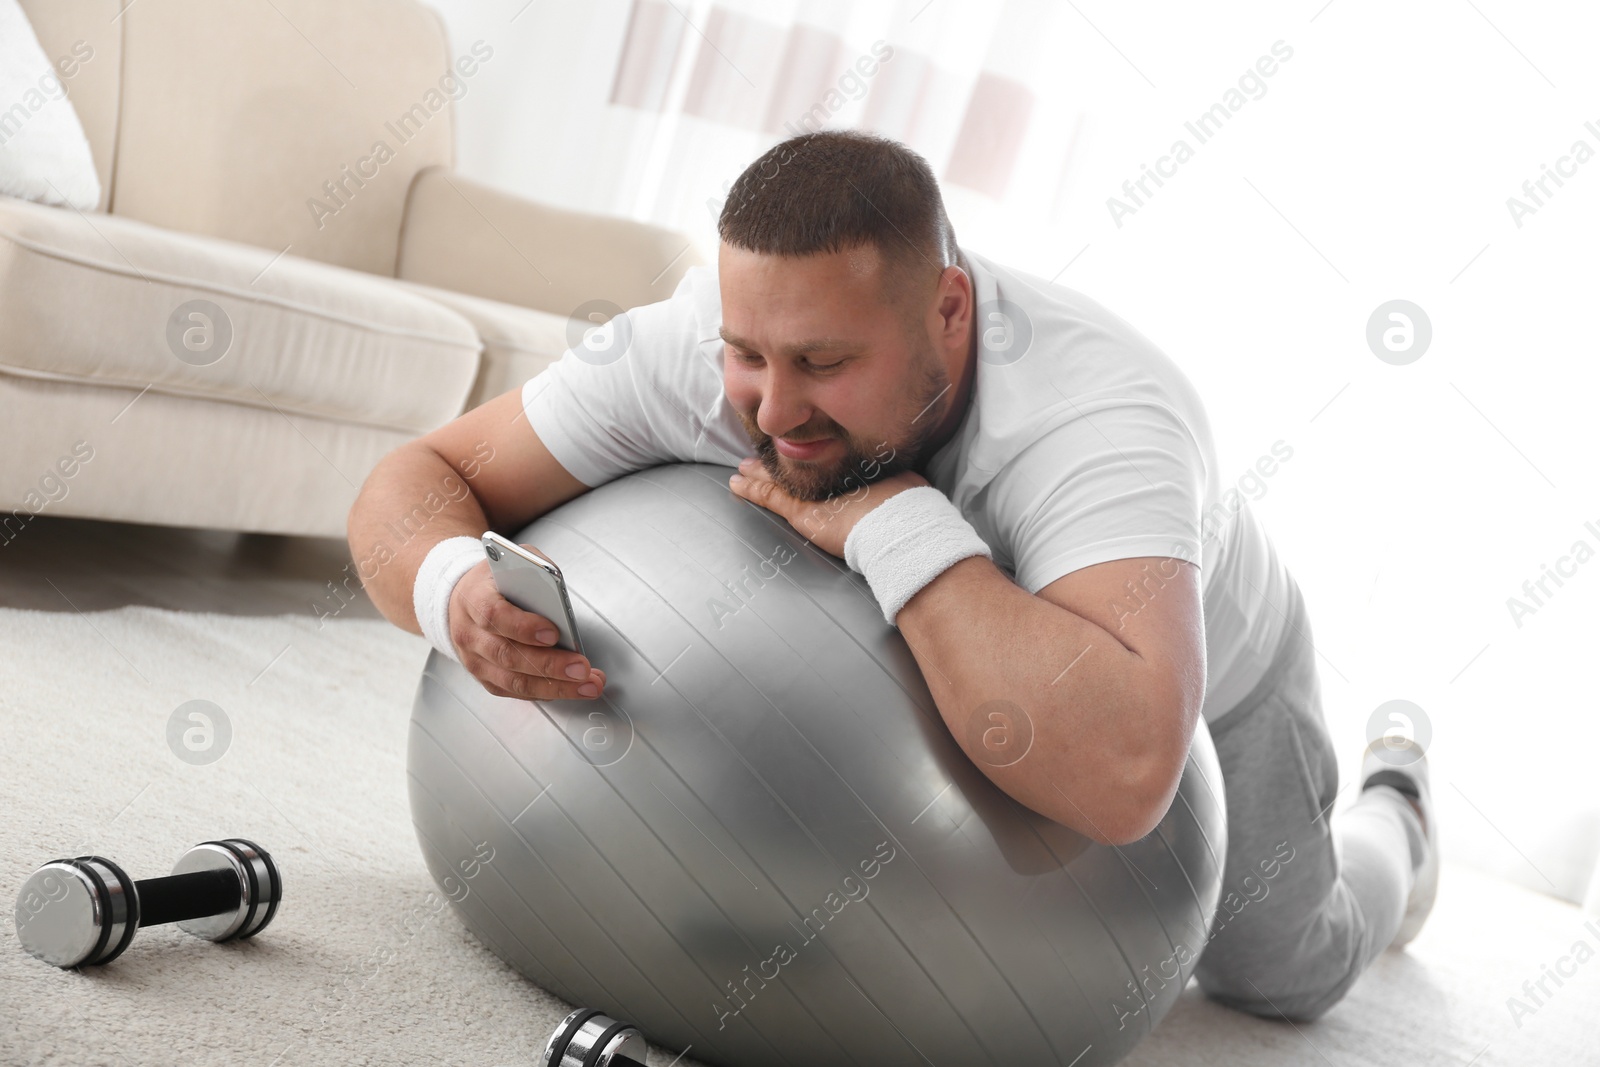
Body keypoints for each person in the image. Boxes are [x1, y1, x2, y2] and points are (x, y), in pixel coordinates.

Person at [347, 129, 1437, 1021]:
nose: (773, 410)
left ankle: (1396, 810)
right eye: (748, 355)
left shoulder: (1103, 417)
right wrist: (449, 587)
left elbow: (1126, 773)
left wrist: (897, 520)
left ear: (949, 312)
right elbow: (422, 474)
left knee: (1283, 975)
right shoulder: (691, 349)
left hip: (1217, 680)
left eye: (825, 362)